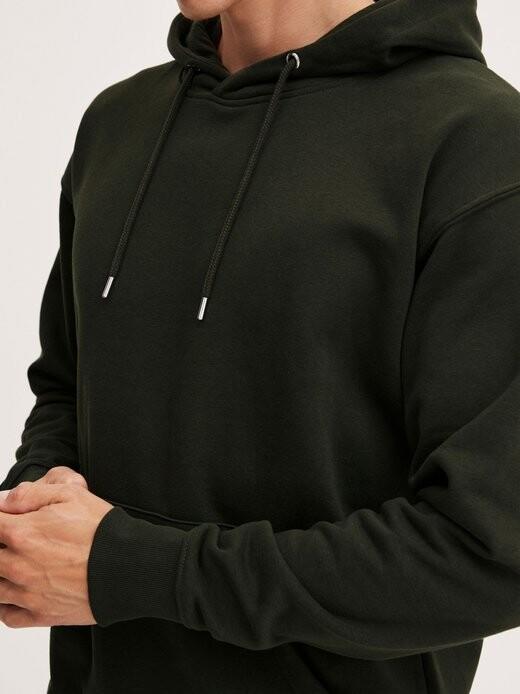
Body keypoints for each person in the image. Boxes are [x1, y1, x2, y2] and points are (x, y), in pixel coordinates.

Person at [1, 0, 519, 692]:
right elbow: (68, 386)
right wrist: (32, 512)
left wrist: (138, 571)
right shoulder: (119, 123)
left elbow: (490, 551)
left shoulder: (479, 145)